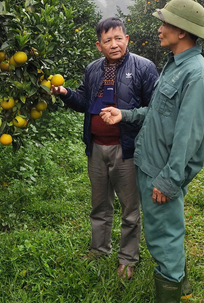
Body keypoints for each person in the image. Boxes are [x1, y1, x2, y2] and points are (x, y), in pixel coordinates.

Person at [100, 0, 204, 302]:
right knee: (164, 233)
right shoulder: (175, 66)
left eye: (165, 23)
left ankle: (171, 289)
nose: (159, 28)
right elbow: (157, 114)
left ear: (181, 31)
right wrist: (124, 115)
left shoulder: (197, 75)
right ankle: (180, 281)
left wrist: (169, 179)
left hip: (162, 172)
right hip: (150, 163)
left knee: (163, 236)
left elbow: (187, 136)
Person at [51, 17, 158, 279]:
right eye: (107, 40)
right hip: (97, 147)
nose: (114, 44)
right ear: (99, 45)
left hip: (127, 149)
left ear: (127, 40)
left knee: (130, 208)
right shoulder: (93, 69)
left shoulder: (144, 68)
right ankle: (99, 249)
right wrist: (65, 93)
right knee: (99, 204)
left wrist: (124, 114)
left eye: (118, 38)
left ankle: (128, 258)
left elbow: (155, 111)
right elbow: (84, 101)